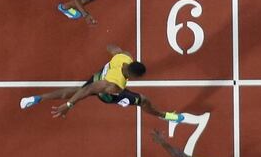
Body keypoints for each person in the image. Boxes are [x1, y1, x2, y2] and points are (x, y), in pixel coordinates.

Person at [20, 44, 185, 123]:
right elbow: (89, 90)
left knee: (74, 90)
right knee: (143, 100)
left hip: (99, 76)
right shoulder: (114, 86)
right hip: (105, 93)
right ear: (132, 76)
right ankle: (165, 116)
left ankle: (37, 98)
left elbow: (112, 48)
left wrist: (111, 50)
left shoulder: (124, 57)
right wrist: (68, 106)